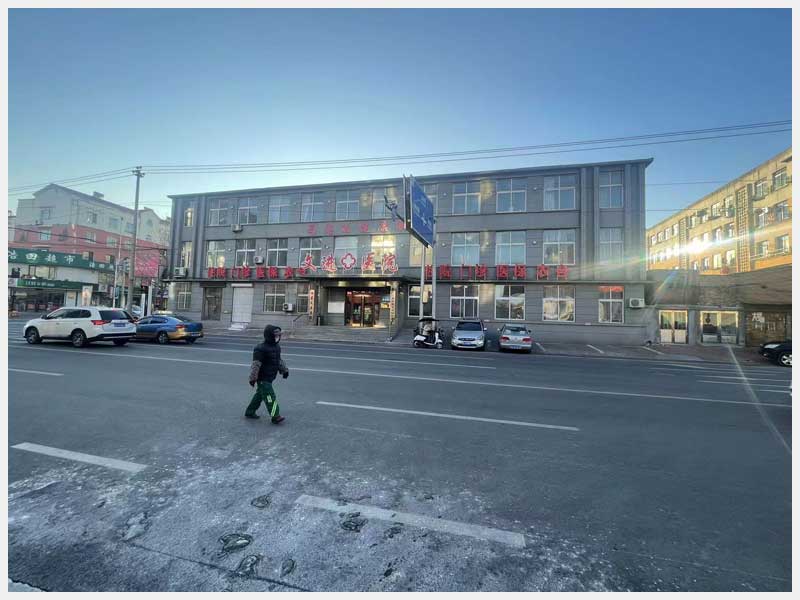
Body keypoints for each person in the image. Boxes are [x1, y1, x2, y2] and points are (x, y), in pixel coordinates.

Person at [245, 324, 288, 423]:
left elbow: (278, 360)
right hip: (263, 378)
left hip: (270, 377)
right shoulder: (260, 348)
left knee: (260, 395)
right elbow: (256, 365)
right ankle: (275, 416)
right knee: (270, 397)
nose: (278, 336)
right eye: (275, 335)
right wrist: (252, 378)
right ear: (269, 335)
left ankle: (250, 412)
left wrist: (284, 370)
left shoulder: (276, 347)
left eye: (279, 334)